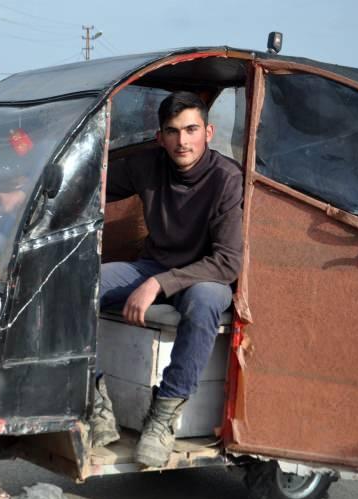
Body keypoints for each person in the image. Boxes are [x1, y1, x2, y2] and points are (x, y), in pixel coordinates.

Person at [90, 91, 244, 468]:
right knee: (80, 284)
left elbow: (227, 262)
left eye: (191, 129)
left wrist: (159, 284)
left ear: (208, 131)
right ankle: (94, 401)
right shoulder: (149, 165)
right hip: (151, 267)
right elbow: (94, 180)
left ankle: (162, 418)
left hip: (203, 276)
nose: (182, 140)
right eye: (173, 132)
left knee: (207, 301)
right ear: (160, 137)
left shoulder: (226, 178)